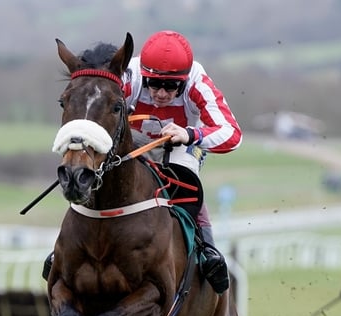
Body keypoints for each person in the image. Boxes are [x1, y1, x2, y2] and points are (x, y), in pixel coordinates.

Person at [43, 30, 242, 294]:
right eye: (154, 83)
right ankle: (66, 248)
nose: (161, 93)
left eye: (171, 87)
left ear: (184, 80)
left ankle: (206, 248)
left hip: (181, 143)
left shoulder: (198, 80)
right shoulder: (132, 75)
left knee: (184, 176)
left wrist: (190, 134)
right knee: (100, 173)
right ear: (143, 74)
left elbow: (232, 133)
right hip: (136, 141)